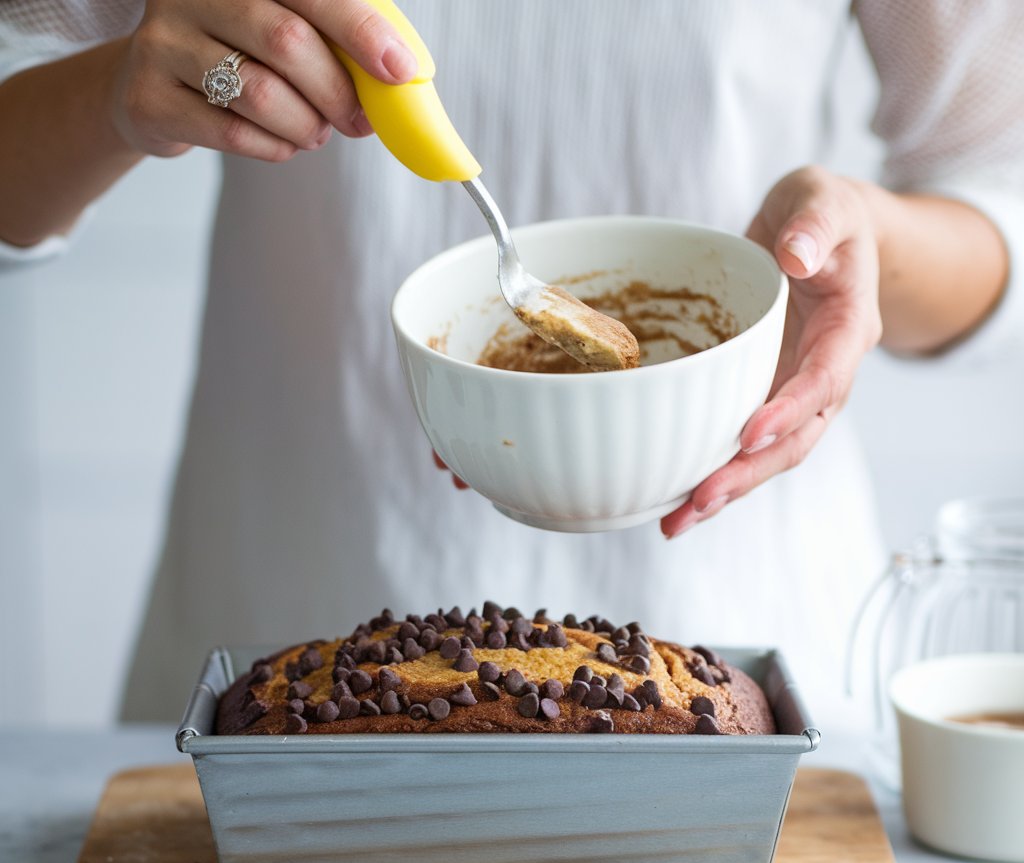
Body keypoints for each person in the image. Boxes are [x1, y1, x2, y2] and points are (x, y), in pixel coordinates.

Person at [1, 1, 1020, 728]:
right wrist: (115, 91)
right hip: (300, 643)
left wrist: (866, 237)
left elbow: (998, 187)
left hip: (741, 643)